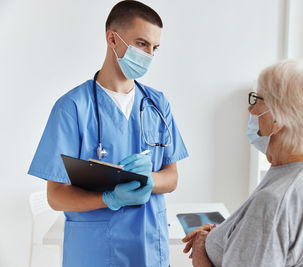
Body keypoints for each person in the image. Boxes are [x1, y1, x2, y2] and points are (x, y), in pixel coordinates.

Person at [28, 1, 188, 266]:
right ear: (112, 38)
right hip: (96, 251)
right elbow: (55, 196)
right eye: (141, 43)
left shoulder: (158, 104)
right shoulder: (73, 108)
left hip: (149, 246)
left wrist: (148, 179)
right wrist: (109, 198)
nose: (148, 54)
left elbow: (171, 178)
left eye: (154, 47)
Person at [182, 58, 303, 267]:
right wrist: (226, 236)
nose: (251, 109)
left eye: (257, 99)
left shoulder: (275, 200)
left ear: (280, 117)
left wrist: (201, 248)